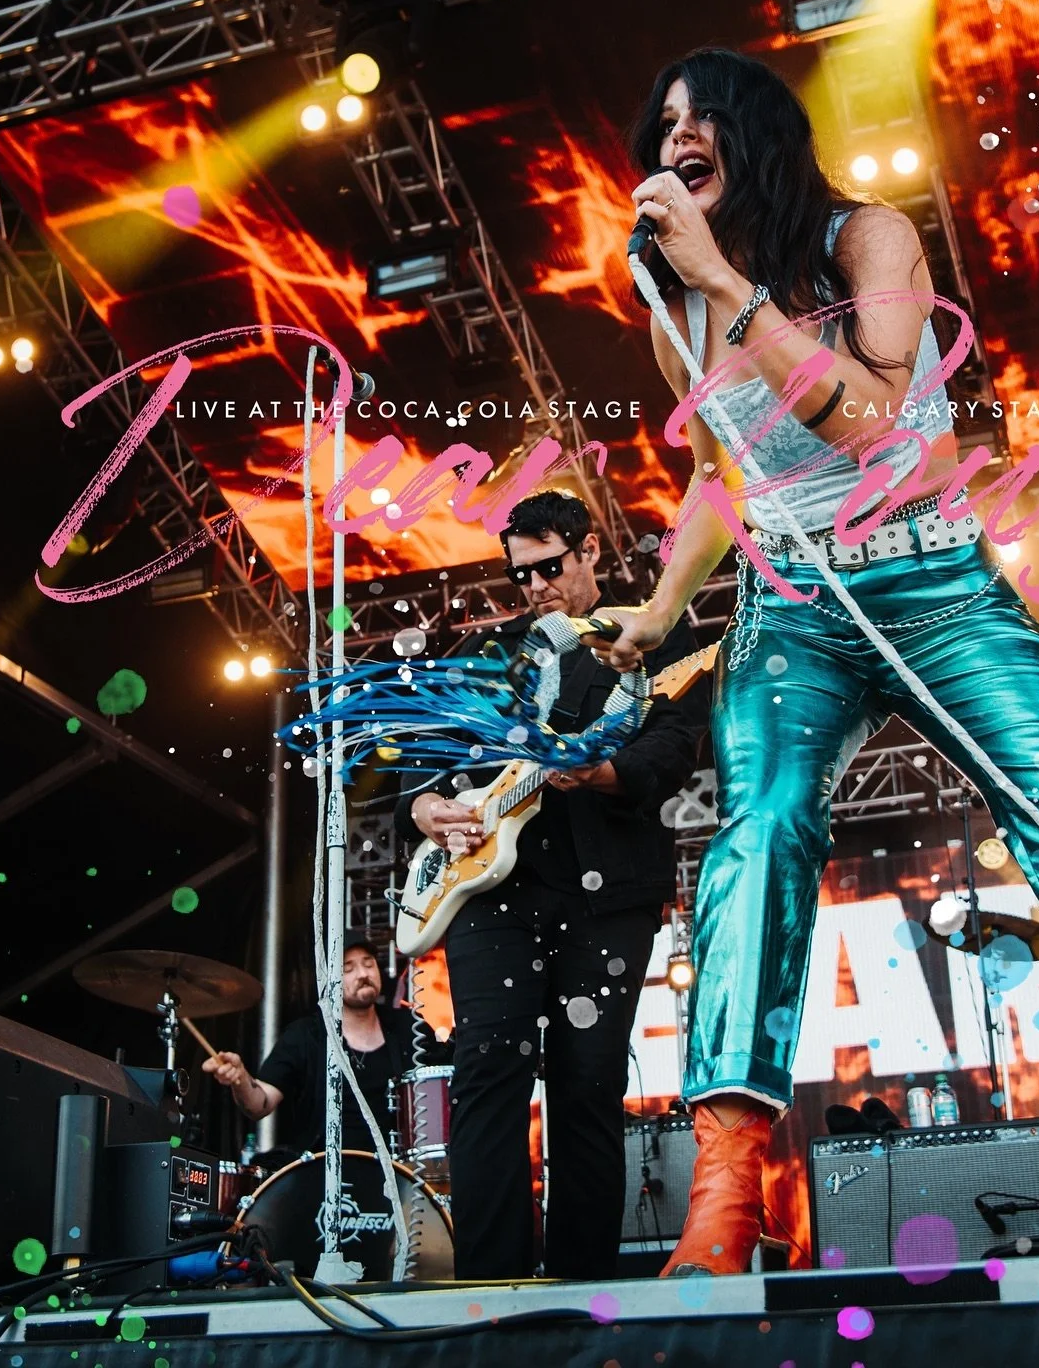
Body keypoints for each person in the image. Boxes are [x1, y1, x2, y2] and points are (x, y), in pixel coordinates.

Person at [595, 47, 1039, 1274]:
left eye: (702, 119)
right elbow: (716, 474)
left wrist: (725, 281)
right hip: (795, 604)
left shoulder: (866, 240)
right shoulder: (671, 314)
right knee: (759, 834)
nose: (676, 139)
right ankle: (725, 1202)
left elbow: (873, 429)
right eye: (663, 123)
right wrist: (660, 605)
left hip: (936, 580)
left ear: (758, 135)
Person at [393, 490, 710, 1282]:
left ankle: (580, 1287)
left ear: (590, 551)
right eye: (521, 574)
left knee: (587, 1083)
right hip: (489, 891)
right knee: (487, 1071)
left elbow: (676, 747)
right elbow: (425, 751)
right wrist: (425, 807)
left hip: (608, 894)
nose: (534, 586)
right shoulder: (491, 651)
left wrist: (600, 773)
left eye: (548, 567)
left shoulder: (653, 635)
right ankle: (489, 1283)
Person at [202, 932, 444, 1153]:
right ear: (328, 981)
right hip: (323, 1174)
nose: (363, 974)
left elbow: (451, 1080)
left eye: (368, 963)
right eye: (348, 968)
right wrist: (241, 1079)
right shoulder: (305, 1035)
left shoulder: (409, 1027)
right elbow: (260, 1104)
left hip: (400, 1172)